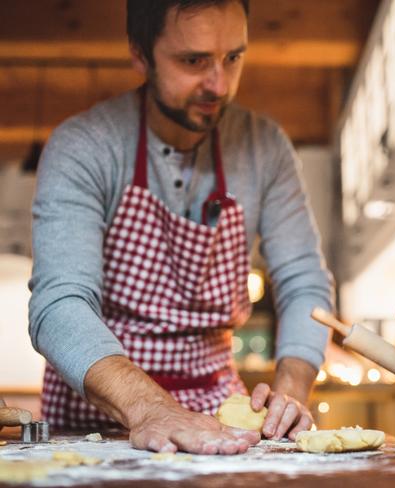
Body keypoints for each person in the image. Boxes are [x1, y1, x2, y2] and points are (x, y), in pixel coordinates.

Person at [28, 0, 333, 455]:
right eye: (194, 60)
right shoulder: (85, 145)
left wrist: (291, 391)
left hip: (219, 411)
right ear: (140, 53)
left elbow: (305, 284)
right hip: (96, 419)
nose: (219, 83)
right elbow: (58, 305)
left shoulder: (264, 148)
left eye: (233, 57)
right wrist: (150, 407)